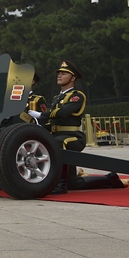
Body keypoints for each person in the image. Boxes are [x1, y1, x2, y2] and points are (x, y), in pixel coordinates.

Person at [29, 61, 87, 194]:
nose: (59, 76)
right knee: (74, 183)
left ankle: (60, 184)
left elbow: (62, 113)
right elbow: (53, 122)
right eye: (59, 73)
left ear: (73, 78)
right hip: (57, 134)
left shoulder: (77, 96)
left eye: (64, 73)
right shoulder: (57, 97)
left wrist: (40, 115)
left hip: (73, 137)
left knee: (59, 143)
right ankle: (110, 180)